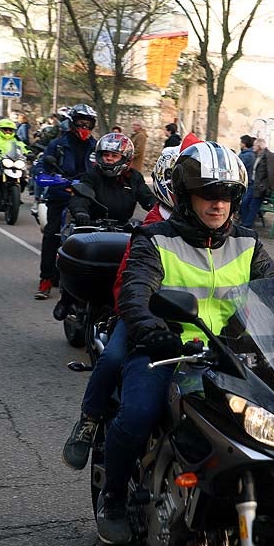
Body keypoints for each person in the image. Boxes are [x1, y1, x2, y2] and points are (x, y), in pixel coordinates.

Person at [90, 141, 274, 544]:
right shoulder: (155, 238)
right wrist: (151, 330)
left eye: (227, 195)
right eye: (207, 195)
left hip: (230, 356)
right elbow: (134, 293)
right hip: (169, 352)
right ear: (185, 197)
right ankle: (112, 497)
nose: (218, 204)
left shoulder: (248, 244)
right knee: (139, 412)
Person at [61, 149, 179, 471]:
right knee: (114, 358)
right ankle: (88, 420)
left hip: (194, 324)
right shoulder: (153, 225)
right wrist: (137, 314)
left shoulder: (219, 229)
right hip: (145, 315)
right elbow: (129, 279)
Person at [52, 132, 156, 321]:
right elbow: (81, 196)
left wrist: (161, 215)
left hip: (122, 229)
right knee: (70, 250)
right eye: (106, 155)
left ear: (125, 159)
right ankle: (66, 298)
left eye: (114, 155)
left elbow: (149, 201)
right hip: (90, 227)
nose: (108, 159)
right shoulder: (93, 175)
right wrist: (82, 213)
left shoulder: (135, 179)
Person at [36, 104, 98, 301]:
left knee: (96, 235)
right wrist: (55, 179)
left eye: (88, 122)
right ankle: (45, 280)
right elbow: (41, 170)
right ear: (72, 122)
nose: (84, 125)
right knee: (51, 234)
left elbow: (104, 169)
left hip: (86, 198)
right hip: (61, 195)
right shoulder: (58, 144)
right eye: (81, 121)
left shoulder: (96, 146)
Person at [240, 137, 274, 228]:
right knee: (244, 203)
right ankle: (244, 223)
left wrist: (271, 188)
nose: (253, 147)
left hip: (260, 187)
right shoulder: (256, 155)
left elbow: (272, 173)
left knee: (253, 207)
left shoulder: (268, 156)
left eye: (255, 145)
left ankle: (246, 225)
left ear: (259, 146)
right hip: (253, 185)